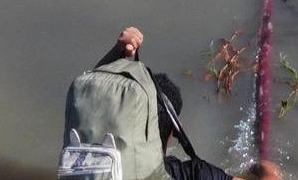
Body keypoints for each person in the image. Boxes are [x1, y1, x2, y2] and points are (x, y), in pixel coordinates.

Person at [87, 27, 282, 180]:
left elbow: (87, 95)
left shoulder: (96, 167)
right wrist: (261, 170)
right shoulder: (191, 174)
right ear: (173, 132)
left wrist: (117, 51)